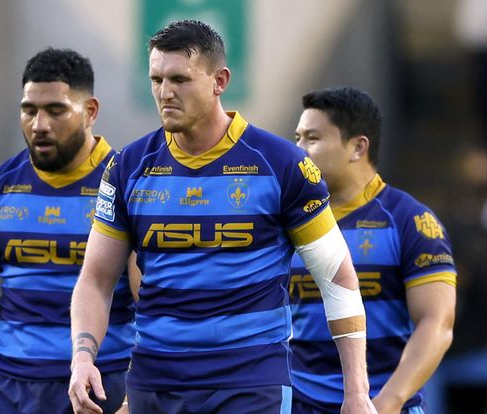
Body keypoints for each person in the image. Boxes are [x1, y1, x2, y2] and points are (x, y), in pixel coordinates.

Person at [69, 20, 376, 414]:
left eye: (180, 79)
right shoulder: (129, 168)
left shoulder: (281, 164)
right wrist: (81, 359)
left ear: (220, 81)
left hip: (250, 384)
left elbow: (338, 278)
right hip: (155, 385)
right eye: (156, 79)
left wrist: (356, 391)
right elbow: (95, 279)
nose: (165, 92)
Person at [0, 48, 135, 414]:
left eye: (56, 110)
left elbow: (153, 301)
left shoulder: (126, 186)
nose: (39, 124)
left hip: (100, 386)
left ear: (90, 111)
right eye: (29, 110)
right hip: (8, 390)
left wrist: (135, 396)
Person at [290, 86, 457, 414]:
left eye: (312, 139)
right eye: (297, 138)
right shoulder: (286, 222)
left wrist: (389, 402)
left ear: (357, 147)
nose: (298, 151)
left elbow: (438, 322)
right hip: (298, 404)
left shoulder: (410, 220)